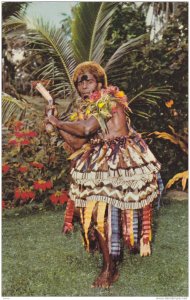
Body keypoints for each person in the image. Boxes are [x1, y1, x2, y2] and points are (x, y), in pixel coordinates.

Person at [46, 61, 162, 288]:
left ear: (99, 82)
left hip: (121, 160)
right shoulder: (90, 108)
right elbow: (78, 141)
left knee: (101, 209)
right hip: (99, 160)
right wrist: (57, 125)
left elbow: (88, 129)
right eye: (79, 83)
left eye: (87, 80)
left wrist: (57, 121)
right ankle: (109, 258)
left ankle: (110, 268)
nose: (83, 86)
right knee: (95, 210)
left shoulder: (108, 100)